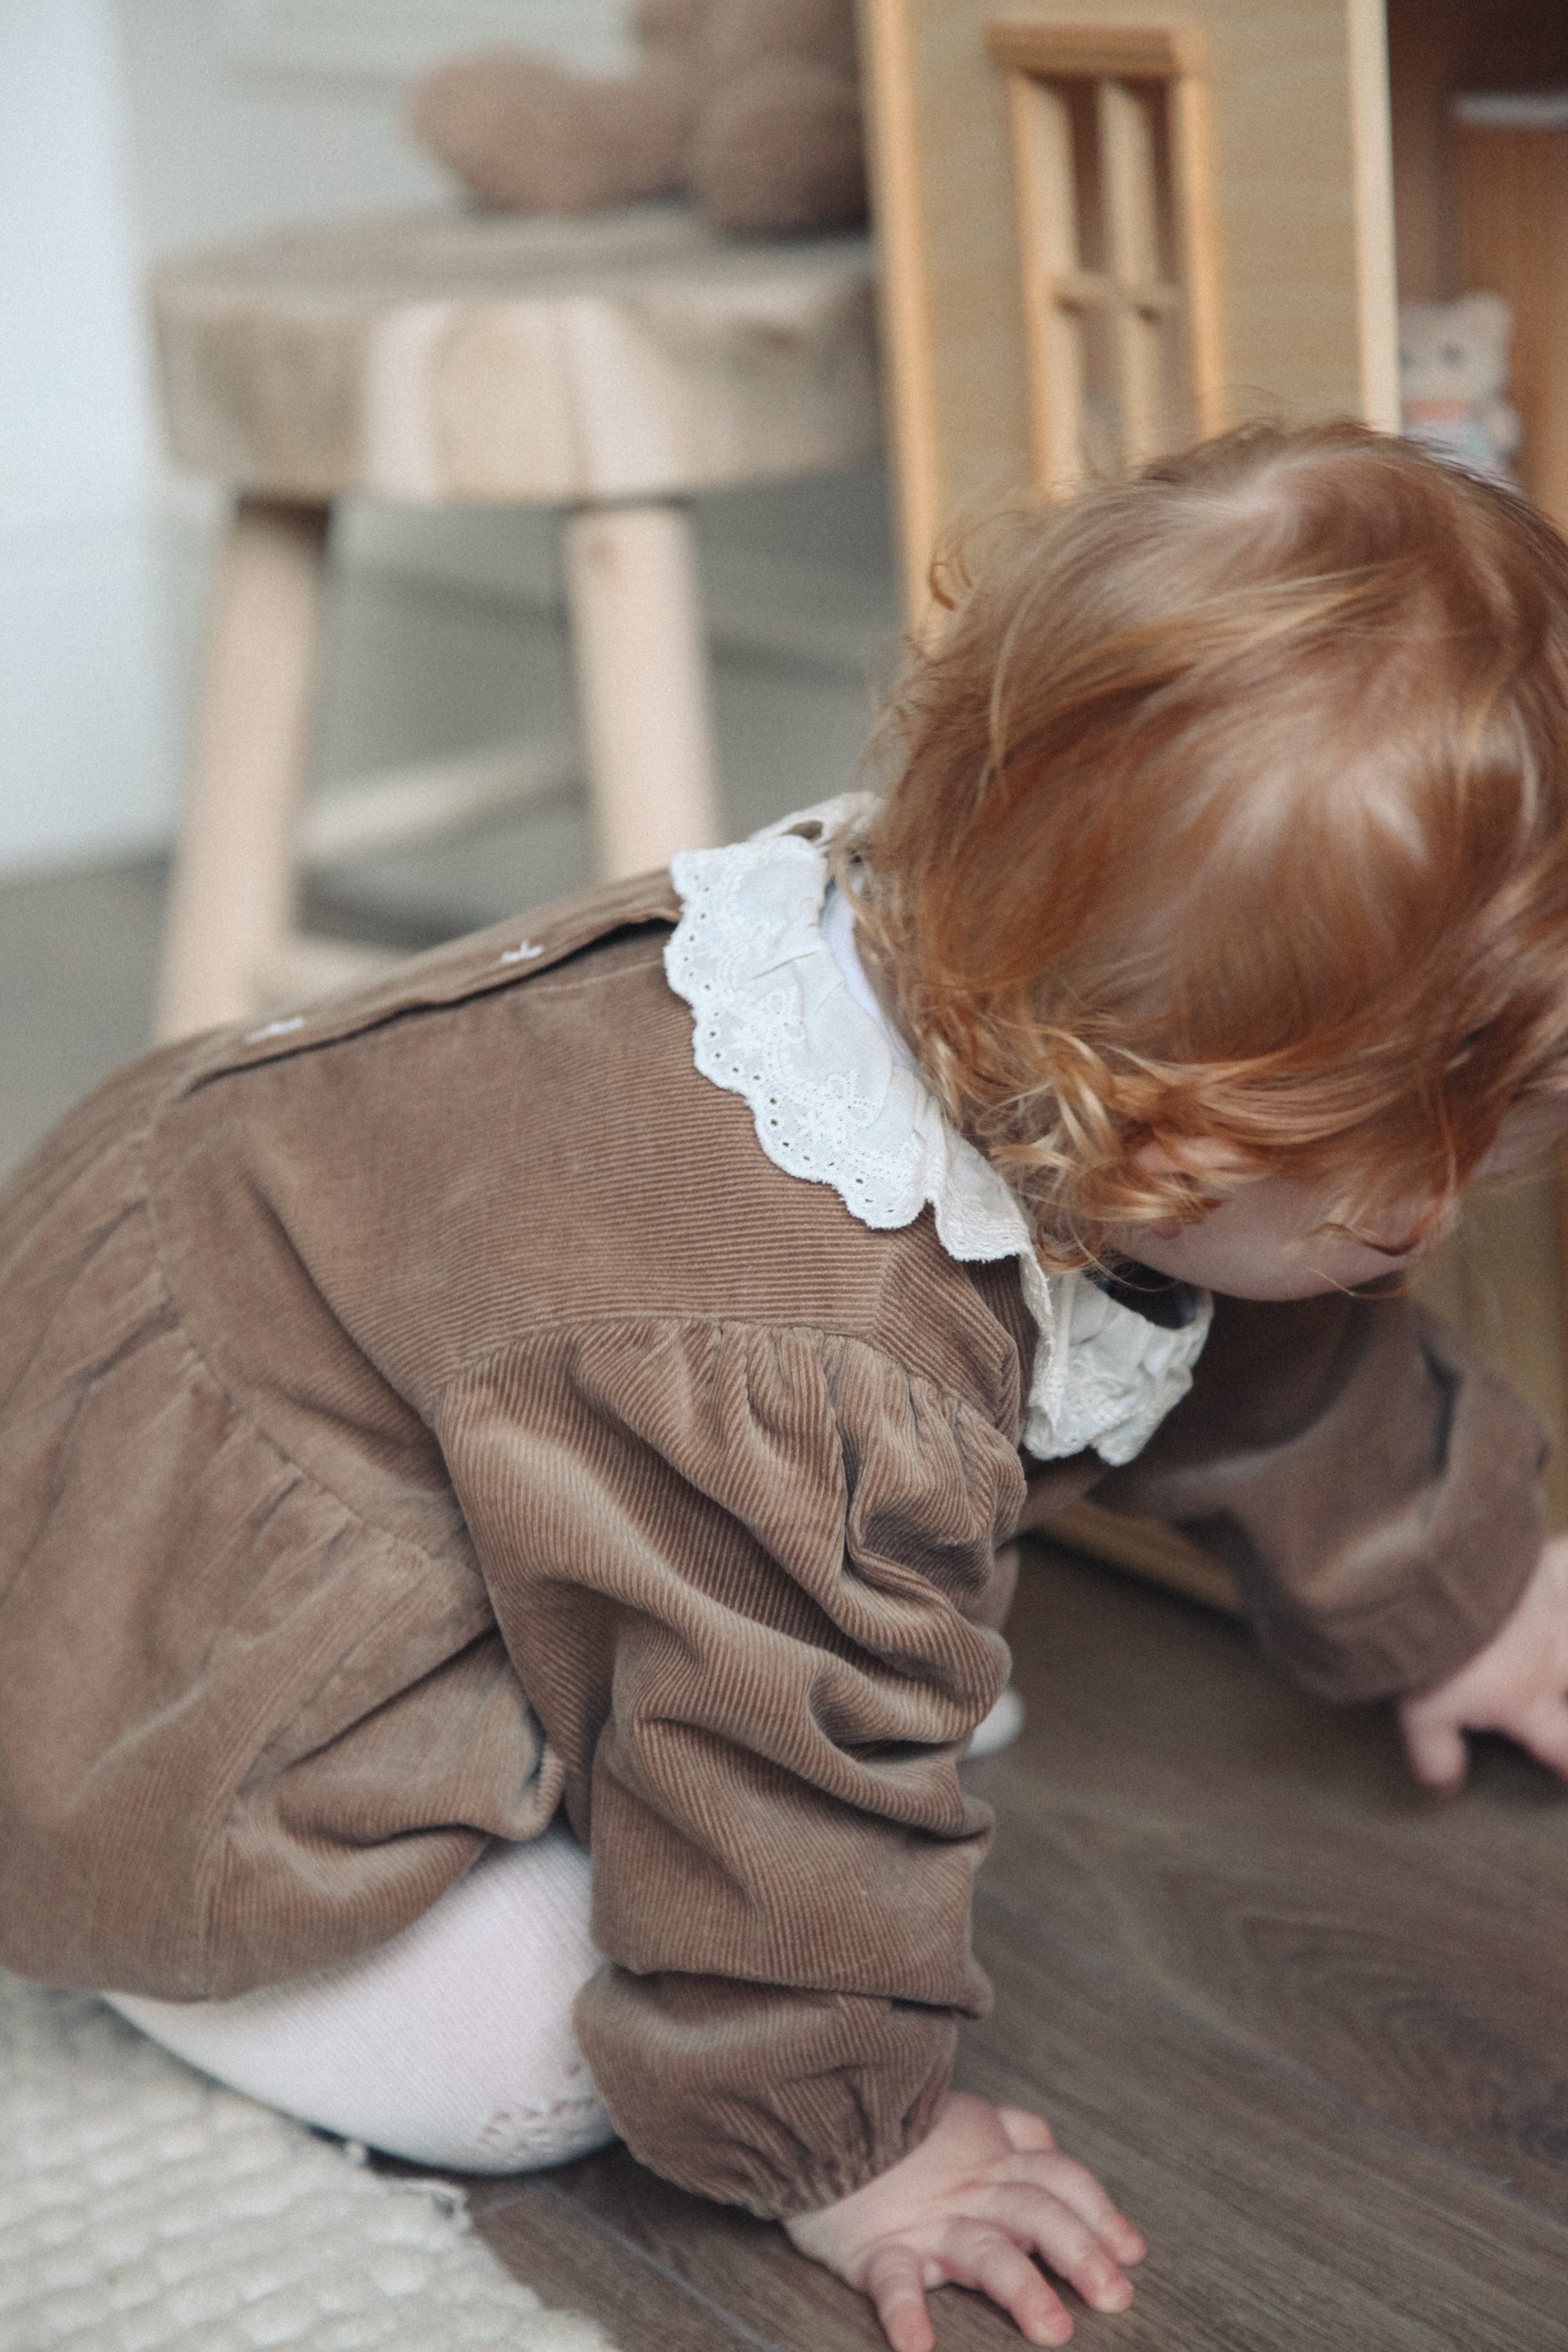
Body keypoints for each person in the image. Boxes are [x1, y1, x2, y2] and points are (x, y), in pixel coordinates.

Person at [5, 420, 1568, 2352]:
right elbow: (769, 1772)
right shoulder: (808, 1359)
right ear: (1137, 1124)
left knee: (870, 1616)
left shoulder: (1075, 997)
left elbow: (1273, 1342)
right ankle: (166, 1908)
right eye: (1407, 1179)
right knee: (540, 2067)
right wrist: (848, 2150)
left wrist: (1467, 1593)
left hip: (449, 1383)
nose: (1447, 1216)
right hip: (187, 1601)